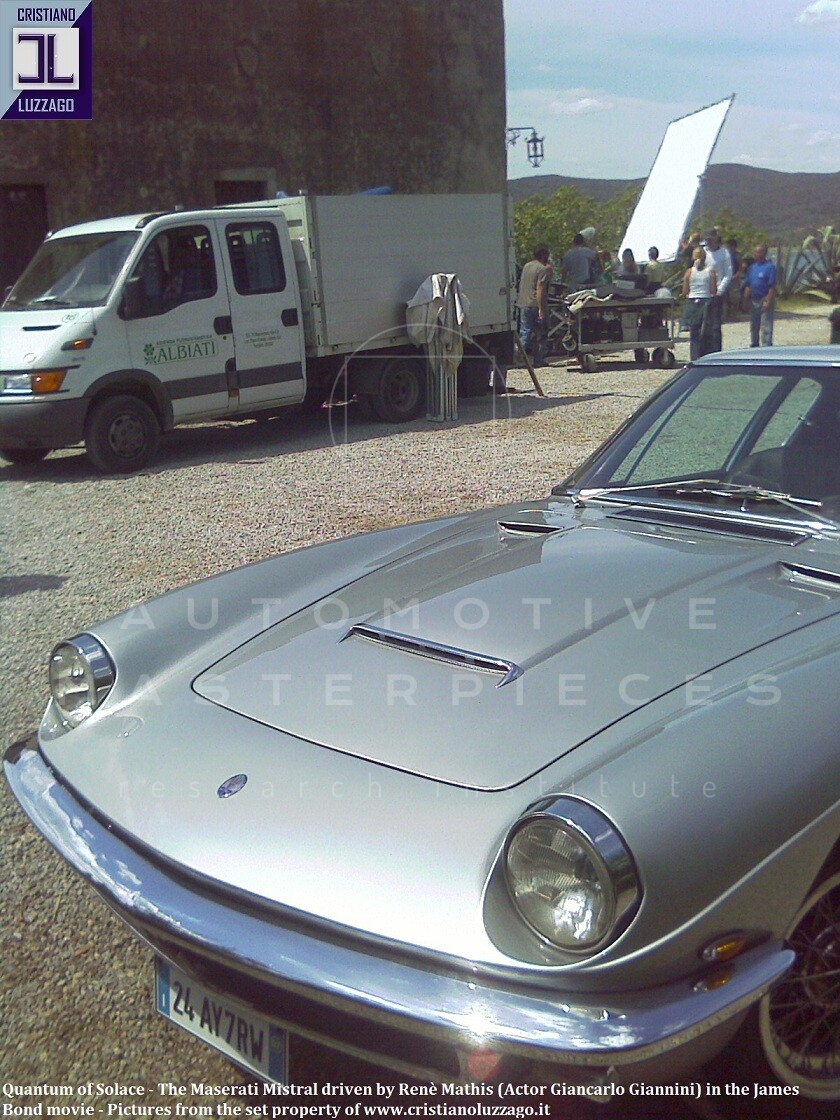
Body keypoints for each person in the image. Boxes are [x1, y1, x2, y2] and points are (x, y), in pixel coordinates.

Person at [516, 243, 552, 368]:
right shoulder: (542, 269)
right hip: (534, 303)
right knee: (542, 332)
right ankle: (538, 360)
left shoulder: (526, 266)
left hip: (522, 302)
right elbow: (540, 288)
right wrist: (541, 309)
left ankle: (516, 357)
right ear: (544, 255)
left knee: (524, 332)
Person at [681, 246, 717, 361]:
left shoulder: (689, 272)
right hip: (706, 300)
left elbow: (685, 291)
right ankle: (706, 356)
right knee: (706, 331)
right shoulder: (710, 272)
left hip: (693, 300)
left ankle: (694, 357)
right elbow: (713, 290)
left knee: (694, 332)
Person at [700, 229, 732, 352]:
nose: (708, 242)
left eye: (710, 239)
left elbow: (728, 273)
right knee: (702, 325)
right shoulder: (703, 252)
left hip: (717, 293)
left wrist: (720, 290)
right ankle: (703, 351)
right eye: (707, 239)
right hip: (703, 293)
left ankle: (716, 351)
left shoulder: (724, 253)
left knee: (715, 326)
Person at [741, 244, 777, 347]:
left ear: (764, 253)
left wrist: (768, 300)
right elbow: (748, 284)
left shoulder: (770, 267)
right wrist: (745, 300)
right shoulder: (752, 268)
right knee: (754, 325)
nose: (756, 254)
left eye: (758, 252)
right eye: (755, 252)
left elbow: (772, 286)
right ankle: (754, 344)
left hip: (764, 298)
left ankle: (766, 345)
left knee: (766, 324)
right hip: (753, 299)